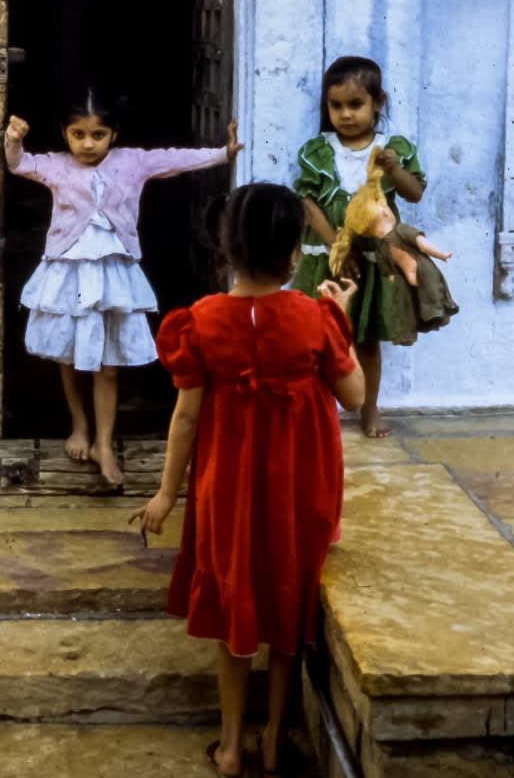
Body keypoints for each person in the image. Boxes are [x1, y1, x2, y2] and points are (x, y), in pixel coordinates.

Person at [130, 183, 364, 778]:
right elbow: (355, 395)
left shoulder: (201, 321)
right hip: (300, 488)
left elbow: (186, 419)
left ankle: (230, 747)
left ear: (225, 247)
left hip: (226, 489)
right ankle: (273, 737)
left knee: (236, 603)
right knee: (287, 605)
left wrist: (165, 494)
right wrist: (342, 313)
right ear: (294, 251)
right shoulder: (314, 319)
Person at [4, 88, 242, 485]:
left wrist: (223, 153)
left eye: (97, 134)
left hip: (114, 276)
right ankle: (79, 425)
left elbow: (174, 159)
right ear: (65, 134)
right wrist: (13, 138)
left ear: (114, 134)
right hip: (68, 273)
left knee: (108, 365)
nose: (87, 143)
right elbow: (18, 165)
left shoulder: (133, 162)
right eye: (78, 134)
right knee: (67, 355)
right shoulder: (57, 166)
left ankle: (104, 441)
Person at [291, 55, 426, 437]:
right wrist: (336, 245)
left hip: (372, 259)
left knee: (365, 338)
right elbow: (307, 202)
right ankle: (320, 410)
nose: (346, 114)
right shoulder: (316, 151)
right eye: (336, 106)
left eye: (356, 104)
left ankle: (368, 408)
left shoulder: (391, 148)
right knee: (319, 337)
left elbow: (414, 193)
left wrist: (393, 168)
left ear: (377, 102)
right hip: (328, 260)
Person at [330, 152, 458, 347]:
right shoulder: (398, 233)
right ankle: (430, 313)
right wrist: (441, 255)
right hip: (416, 275)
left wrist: (439, 255)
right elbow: (421, 245)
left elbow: (394, 263)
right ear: (385, 212)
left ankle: (423, 317)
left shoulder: (389, 242)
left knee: (411, 305)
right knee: (422, 300)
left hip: (409, 276)